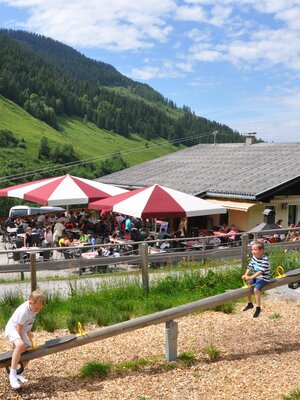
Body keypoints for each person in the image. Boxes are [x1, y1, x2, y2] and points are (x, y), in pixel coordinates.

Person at [5, 290, 46, 389]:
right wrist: (20, 341)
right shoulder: (24, 311)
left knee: (29, 351)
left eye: (39, 309)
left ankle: (18, 372)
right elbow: (19, 326)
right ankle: (12, 374)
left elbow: (28, 322)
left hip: (22, 330)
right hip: (13, 329)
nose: (37, 311)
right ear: (30, 302)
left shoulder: (34, 309)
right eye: (36, 308)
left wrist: (28, 332)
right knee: (20, 345)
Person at [242, 241, 270, 318]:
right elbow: (250, 267)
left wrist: (251, 277)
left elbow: (260, 272)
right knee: (247, 285)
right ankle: (250, 303)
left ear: (261, 251)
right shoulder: (254, 258)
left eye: (255, 250)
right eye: (252, 249)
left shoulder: (265, 260)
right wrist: (246, 274)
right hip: (256, 277)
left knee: (256, 290)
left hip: (264, 278)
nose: (253, 251)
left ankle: (258, 308)